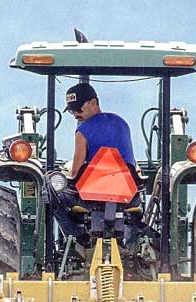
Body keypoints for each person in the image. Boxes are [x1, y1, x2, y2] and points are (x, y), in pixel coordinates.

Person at [51, 83, 141, 245]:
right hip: (127, 197)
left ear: (93, 103)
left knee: (50, 193)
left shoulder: (82, 131)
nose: (75, 114)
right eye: (72, 110)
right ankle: (132, 241)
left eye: (78, 108)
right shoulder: (122, 123)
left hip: (91, 200)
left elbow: (75, 173)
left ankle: (77, 238)